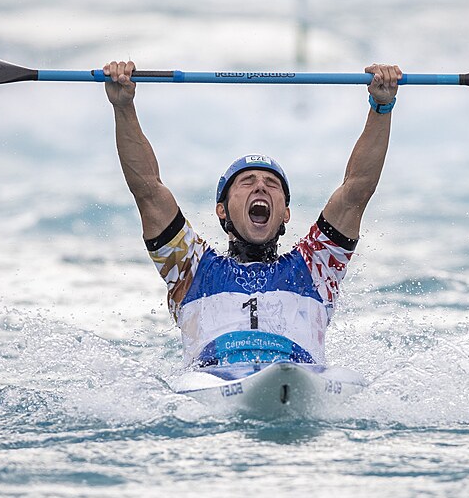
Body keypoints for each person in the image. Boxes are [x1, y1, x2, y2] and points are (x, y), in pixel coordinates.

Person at [103, 60, 401, 368]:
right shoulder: (190, 269)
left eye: (272, 184)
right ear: (222, 211)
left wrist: (382, 106)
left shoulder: (316, 266)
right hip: (211, 384)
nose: (261, 187)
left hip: (298, 379)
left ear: (285, 213)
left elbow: (357, 190)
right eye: (247, 182)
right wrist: (124, 107)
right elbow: (148, 191)